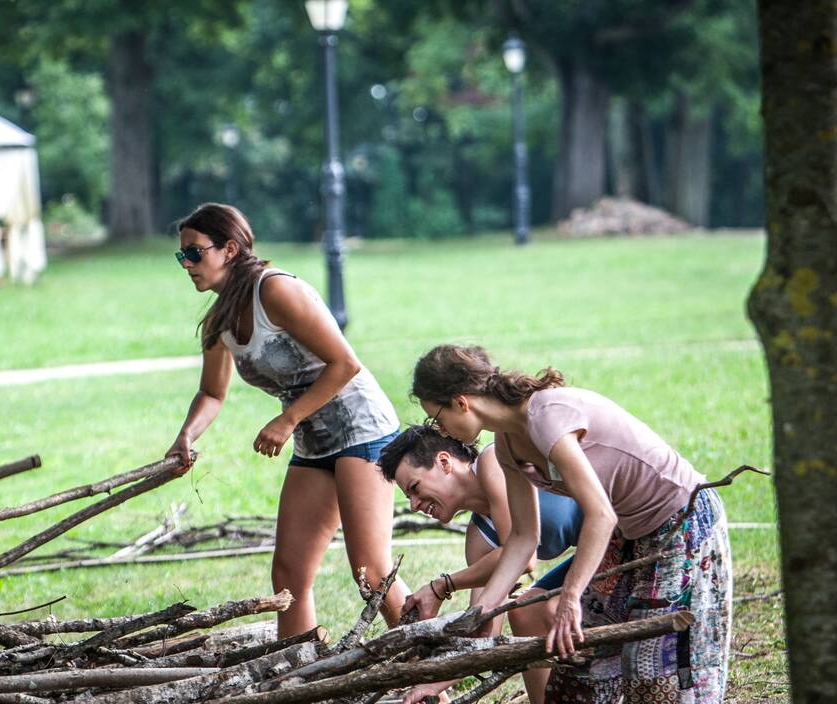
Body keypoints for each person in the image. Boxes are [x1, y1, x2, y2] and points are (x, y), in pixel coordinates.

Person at [409, 344, 732, 704]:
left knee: (655, 673)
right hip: (630, 534)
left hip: (679, 521)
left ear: (461, 402)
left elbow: (601, 514)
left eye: (437, 418)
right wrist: (485, 609)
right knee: (578, 666)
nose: (442, 430)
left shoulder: (545, 417)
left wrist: (571, 597)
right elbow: (523, 538)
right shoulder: (506, 445)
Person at [166, 203, 408, 637]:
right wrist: (186, 435)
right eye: (181, 255)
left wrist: (288, 419)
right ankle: (301, 673)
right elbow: (211, 393)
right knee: (289, 574)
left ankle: (432, 675)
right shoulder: (218, 320)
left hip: (362, 430)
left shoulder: (275, 291)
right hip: (314, 441)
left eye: (195, 253)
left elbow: (345, 363)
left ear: (230, 249)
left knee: (371, 571)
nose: (186, 264)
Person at [377, 425, 583, 704]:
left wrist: (442, 586)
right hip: (596, 552)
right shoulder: (480, 539)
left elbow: (524, 555)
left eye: (414, 488)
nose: (413, 505)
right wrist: (432, 685)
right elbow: (485, 634)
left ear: (444, 462)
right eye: (408, 497)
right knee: (526, 612)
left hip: (625, 531)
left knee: (548, 609)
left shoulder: (494, 461)